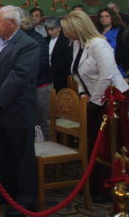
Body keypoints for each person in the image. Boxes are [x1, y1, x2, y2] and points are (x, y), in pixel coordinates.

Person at [0, 5, 40, 215]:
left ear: (12, 23)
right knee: (4, 156)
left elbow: (20, 76)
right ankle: (7, 194)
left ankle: (25, 202)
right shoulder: (0, 41)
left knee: (22, 159)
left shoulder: (27, 45)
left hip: (17, 111)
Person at [60, 11, 129, 203]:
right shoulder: (77, 43)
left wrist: (94, 101)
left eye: (68, 30)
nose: (65, 34)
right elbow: (76, 72)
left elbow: (106, 76)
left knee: (108, 145)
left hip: (112, 99)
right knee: (94, 142)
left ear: (79, 28)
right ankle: (94, 183)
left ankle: (109, 187)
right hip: (93, 99)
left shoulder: (99, 44)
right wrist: (83, 93)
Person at [21, 13, 53, 140]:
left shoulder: (36, 39)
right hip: (31, 85)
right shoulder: (25, 38)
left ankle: (47, 148)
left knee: (42, 121)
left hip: (41, 85)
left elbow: (42, 64)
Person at [96, 7, 129, 76]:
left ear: (112, 17)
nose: (103, 18)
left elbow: (125, 52)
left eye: (107, 16)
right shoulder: (97, 31)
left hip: (118, 67)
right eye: (101, 16)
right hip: (98, 67)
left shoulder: (121, 31)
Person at [45, 17, 73, 91]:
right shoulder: (45, 40)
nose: (49, 32)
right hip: (47, 76)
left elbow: (67, 60)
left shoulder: (66, 41)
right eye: (48, 29)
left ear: (59, 28)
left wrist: (51, 69)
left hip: (61, 77)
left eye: (52, 29)